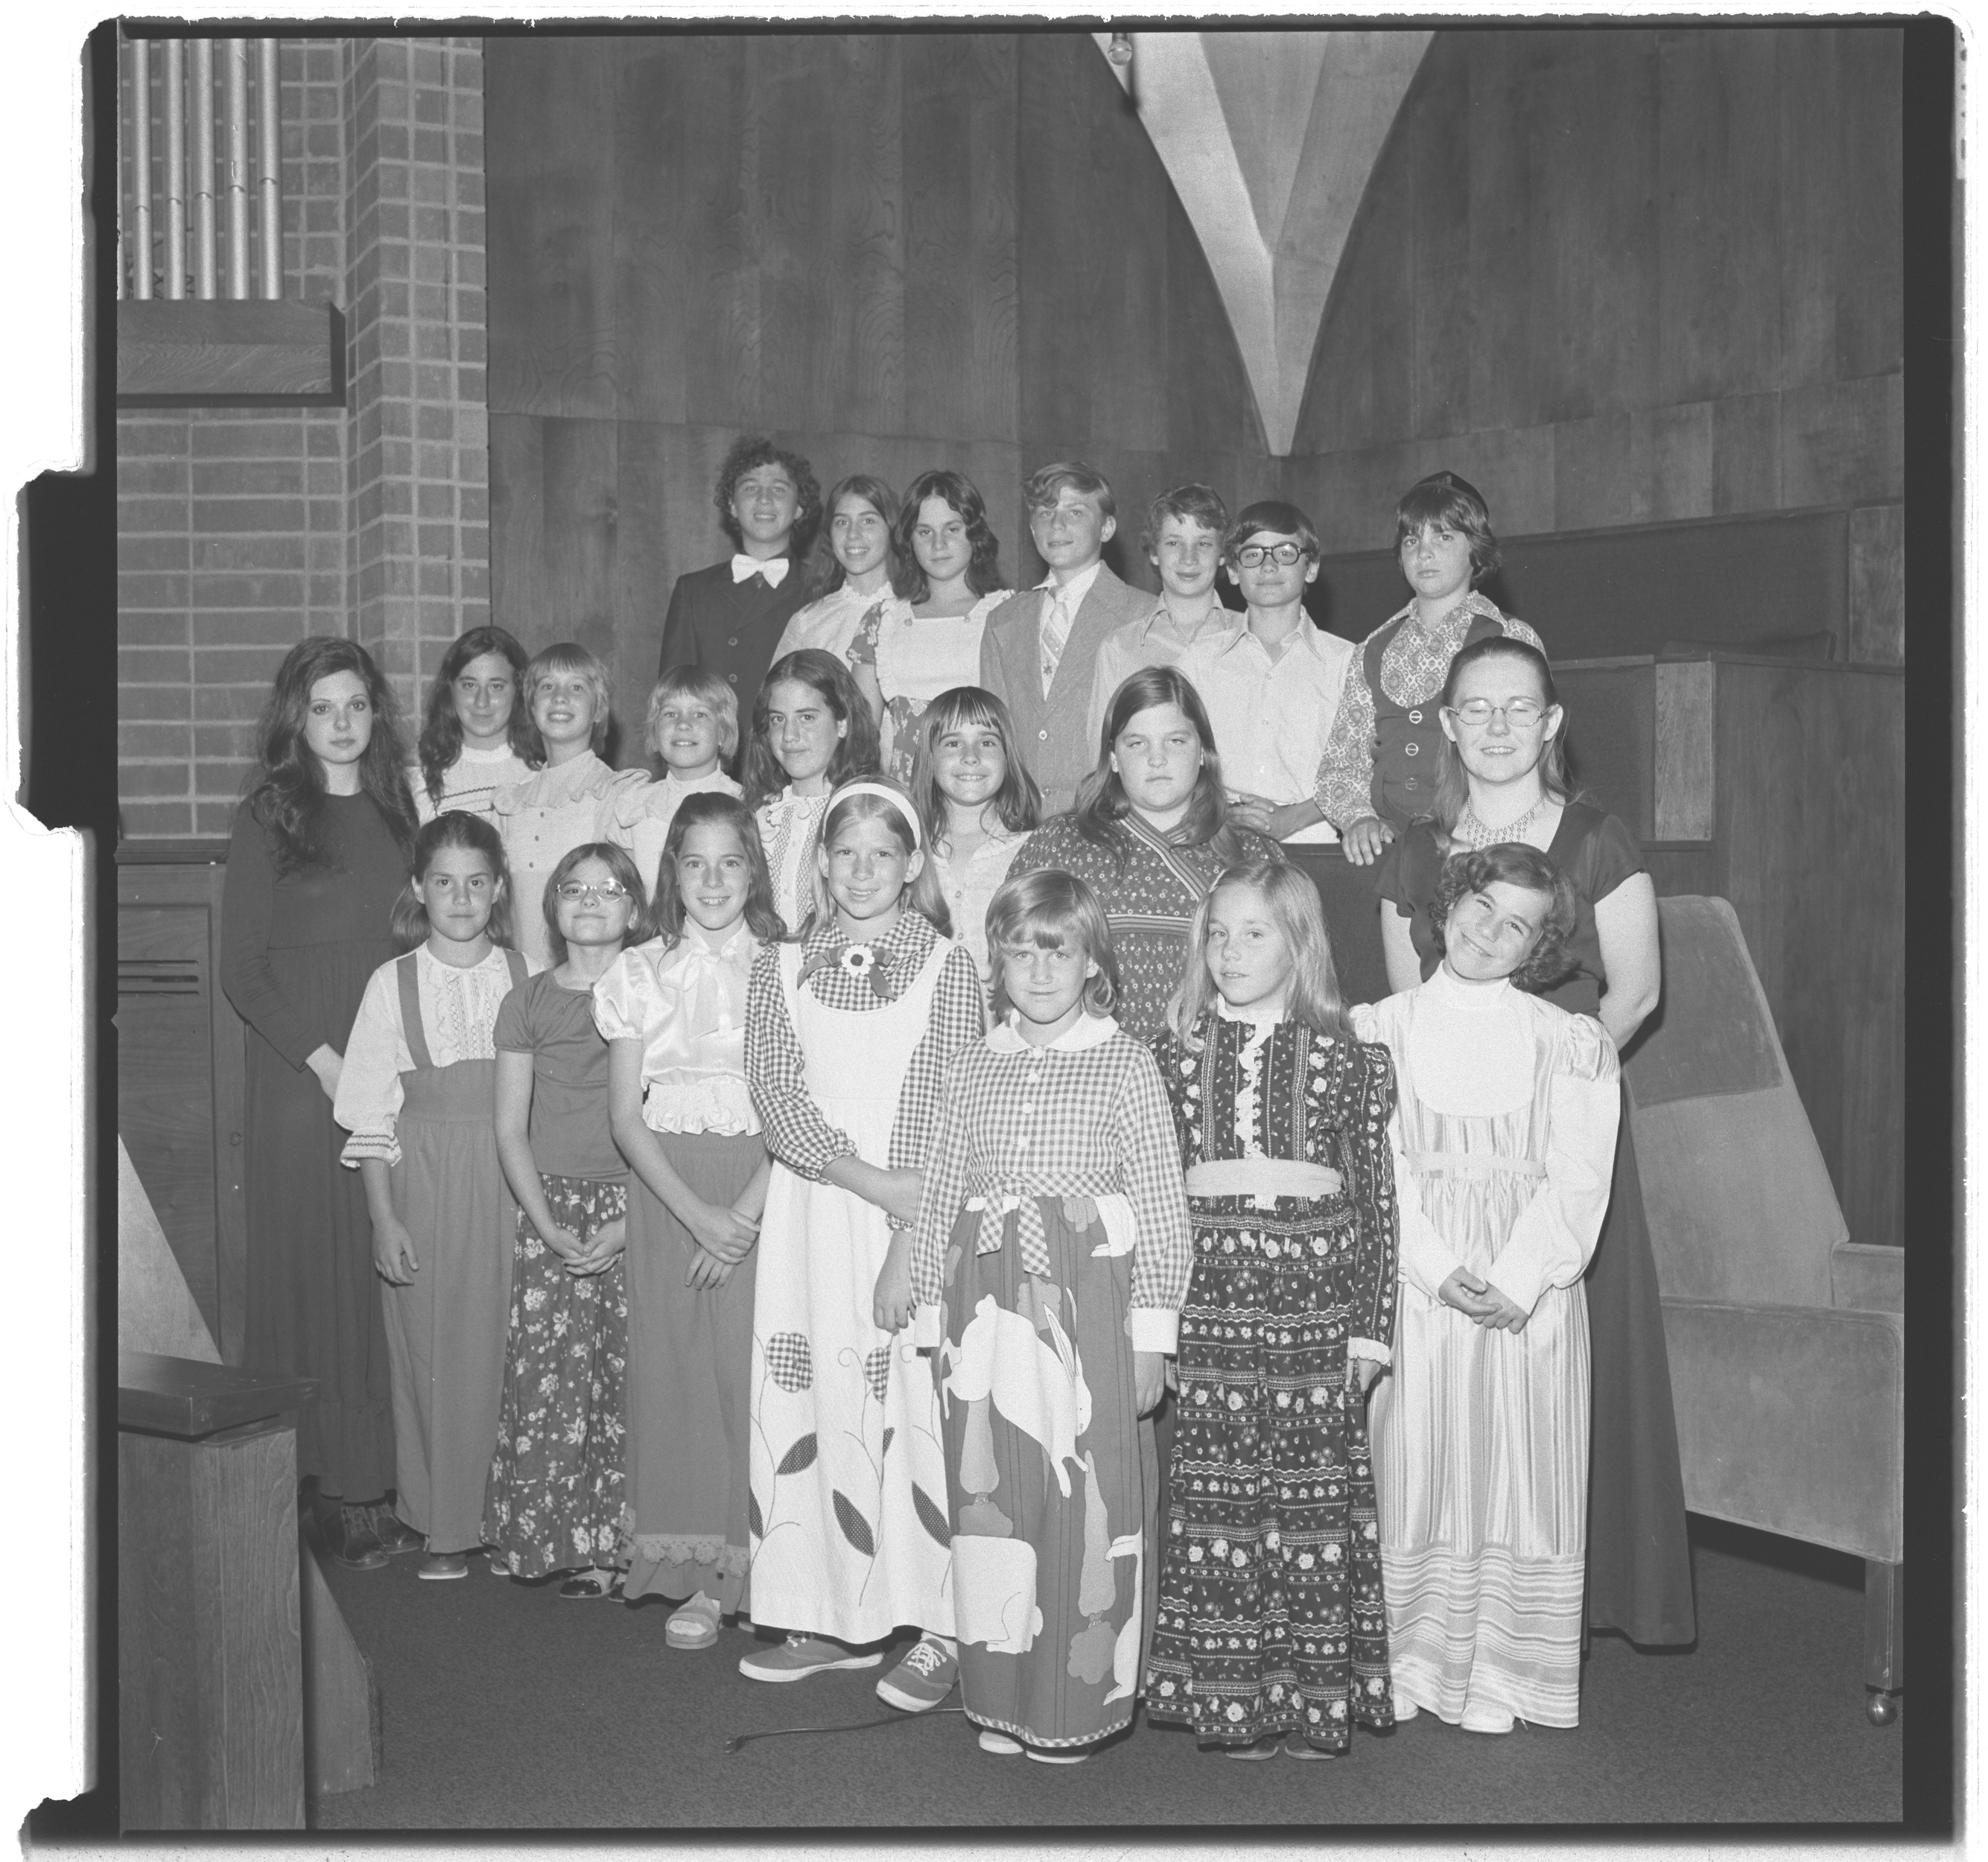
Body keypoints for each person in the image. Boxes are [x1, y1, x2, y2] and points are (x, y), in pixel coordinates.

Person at [1373, 635, 1693, 1648]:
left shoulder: (1598, 839)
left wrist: (1549, 1098)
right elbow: (1402, 1011)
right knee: (1437, 1394)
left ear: (1551, 724)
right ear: (1450, 725)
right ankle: (1435, 1609)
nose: (1498, 726)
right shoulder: (1417, 854)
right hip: (1440, 1156)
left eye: (1519, 708)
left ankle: (1561, 1605)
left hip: (1560, 1150)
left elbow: (1634, 992)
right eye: (1477, 709)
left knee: (1559, 1373)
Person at [909, 869, 1190, 1764]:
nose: (1037, 969)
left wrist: (1152, 1335)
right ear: (996, 960)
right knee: (992, 1495)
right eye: (1020, 949)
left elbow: (1160, 1203)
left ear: (1091, 962)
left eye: (1057, 949)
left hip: (1086, 1300)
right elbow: (941, 1190)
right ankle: (1003, 1698)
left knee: (1081, 1492)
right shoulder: (970, 1064)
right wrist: (928, 1316)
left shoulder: (1124, 1061)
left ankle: (1070, 1708)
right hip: (982, 1298)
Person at [1351, 844, 1622, 1731]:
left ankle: (1503, 1678)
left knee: (1520, 1470)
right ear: (1450, 901)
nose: (1487, 932)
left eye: (1516, 924)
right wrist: (1431, 1266)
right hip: (1418, 1286)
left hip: (1524, 1301)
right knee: (1415, 1461)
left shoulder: (1569, 1043)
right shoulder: (1374, 1030)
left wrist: (1519, 1277)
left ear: (1537, 946)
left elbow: (1578, 1176)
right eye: (1479, 907)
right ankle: (1409, 1665)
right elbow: (1374, 1171)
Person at [1143, 862, 1398, 1758]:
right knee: (1218, 1501)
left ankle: (1315, 1700)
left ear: (1298, 943)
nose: (1230, 951)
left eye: (1254, 933)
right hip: (1209, 1299)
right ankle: (1233, 1705)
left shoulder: (1350, 1059)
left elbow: (1375, 1203)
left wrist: (1370, 1327)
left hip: (1315, 1306)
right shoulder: (1171, 1059)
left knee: (1308, 1503)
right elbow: (1155, 1201)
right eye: (1217, 933)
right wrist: (1158, 1318)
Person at [740, 781, 983, 1709]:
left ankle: (935, 1621)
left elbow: (940, 1107)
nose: (863, 870)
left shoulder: (945, 966)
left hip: (908, 1224)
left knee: (911, 1406)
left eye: (883, 852)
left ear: (913, 864)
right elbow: (777, 1093)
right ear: (821, 863)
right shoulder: (781, 967)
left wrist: (904, 1237)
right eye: (845, 853)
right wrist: (867, 1182)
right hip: (814, 1210)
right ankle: (829, 1611)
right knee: (815, 1397)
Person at [219, 635, 419, 1569]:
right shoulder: (266, 814)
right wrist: (329, 1063)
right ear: (296, 717)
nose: (342, 722)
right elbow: (242, 968)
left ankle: (371, 1482)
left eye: (357, 705)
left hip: (389, 1061)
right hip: (304, 1071)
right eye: (324, 706)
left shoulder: (396, 807)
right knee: (309, 1263)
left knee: (373, 1264)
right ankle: (298, 1483)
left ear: (376, 716)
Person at [595, 793, 779, 1647]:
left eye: (730, 862)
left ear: (754, 870)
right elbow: (627, 1118)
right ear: (671, 870)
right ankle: (698, 1581)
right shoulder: (637, 971)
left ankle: (771, 1571)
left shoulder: (786, 964)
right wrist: (696, 1216)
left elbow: (800, 1107)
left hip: (762, 1186)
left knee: (751, 1376)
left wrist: (739, 1214)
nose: (712, 880)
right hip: (669, 1191)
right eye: (694, 862)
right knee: (676, 1375)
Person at [334, 813, 530, 1580]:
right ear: (418, 888)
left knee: (511, 1347)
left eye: (476, 881)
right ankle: (444, 1524)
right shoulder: (393, 982)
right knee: (434, 1350)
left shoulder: (524, 973)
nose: (460, 896)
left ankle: (514, 1519)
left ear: (499, 889)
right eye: (443, 881)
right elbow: (371, 1111)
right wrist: (384, 1216)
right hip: (424, 1180)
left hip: (511, 1173)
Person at [483, 841, 644, 1597]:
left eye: (608, 889)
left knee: (628, 1376)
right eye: (573, 889)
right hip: (552, 1203)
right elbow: (510, 1127)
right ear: (551, 907)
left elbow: (667, 1114)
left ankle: (626, 1550)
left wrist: (633, 1222)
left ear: (635, 908)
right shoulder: (528, 1001)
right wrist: (544, 1223)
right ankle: (557, 1540)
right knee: (553, 1380)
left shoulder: (655, 993)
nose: (589, 900)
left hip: (637, 1202)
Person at [1009, 665, 1281, 1045]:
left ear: (1202, 752)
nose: (1157, 759)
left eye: (1176, 741)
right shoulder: (1058, 845)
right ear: (1114, 758)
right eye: (1137, 743)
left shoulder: (1251, 854)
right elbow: (1012, 963)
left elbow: (1296, 976)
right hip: (1086, 1070)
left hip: (1215, 1067)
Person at [1312, 471, 1543, 865]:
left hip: (1485, 848)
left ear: (1477, 550)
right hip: (1392, 856)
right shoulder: (1373, 648)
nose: (1424, 552)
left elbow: (1530, 753)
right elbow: (1341, 764)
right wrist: (1359, 819)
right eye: (1412, 539)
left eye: (1445, 537)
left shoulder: (1511, 638)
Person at [979, 461, 1155, 814]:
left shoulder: (1143, 615)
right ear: (1031, 529)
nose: (1057, 524)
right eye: (1045, 512)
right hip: (1022, 817)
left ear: (1106, 528)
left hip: (1108, 814)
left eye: (1075, 511)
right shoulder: (1004, 620)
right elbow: (994, 730)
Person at [1179, 501, 1354, 845]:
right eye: (1253, 554)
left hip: (1313, 839)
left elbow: (1360, 768)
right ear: (1232, 571)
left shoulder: (1346, 661)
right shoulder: (1199, 661)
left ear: (1312, 567)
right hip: (1218, 838)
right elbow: (1179, 755)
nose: (1269, 566)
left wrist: (1294, 817)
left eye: (1286, 552)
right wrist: (1219, 812)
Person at [848, 468, 1014, 784]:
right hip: (907, 790)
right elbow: (861, 734)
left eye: (952, 529)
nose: (938, 544)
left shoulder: (1007, 614)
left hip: (978, 783)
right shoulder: (883, 620)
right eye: (924, 532)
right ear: (908, 539)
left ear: (974, 532)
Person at [492, 643, 646, 970]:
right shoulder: (511, 804)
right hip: (526, 984)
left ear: (599, 710)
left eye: (576, 687)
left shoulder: (616, 795)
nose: (560, 697)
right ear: (532, 707)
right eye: (547, 687)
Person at [658, 435, 823, 737]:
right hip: (712, 762)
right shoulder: (693, 591)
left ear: (800, 507)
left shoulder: (823, 590)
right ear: (732, 505)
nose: (764, 499)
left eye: (778, 488)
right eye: (750, 488)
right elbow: (674, 695)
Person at [907, 685, 1042, 991]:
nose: (971, 757)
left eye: (987, 742)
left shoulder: (1034, 850)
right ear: (930, 757)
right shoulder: (906, 849)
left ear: (1008, 756)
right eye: (953, 743)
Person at [741, 648, 881, 934]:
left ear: (842, 723)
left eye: (806, 718)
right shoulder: (759, 815)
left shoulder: (866, 812)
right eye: (778, 719)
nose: (789, 736)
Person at [1084, 484, 1235, 749]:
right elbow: (1101, 756)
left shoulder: (1248, 636)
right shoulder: (1120, 648)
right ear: (1154, 553)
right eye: (1174, 543)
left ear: (1222, 554)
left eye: (1204, 543)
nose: (1189, 559)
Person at [620, 665, 744, 892]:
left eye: (700, 714)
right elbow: (628, 892)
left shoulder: (744, 804)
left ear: (723, 733)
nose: (683, 724)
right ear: (655, 734)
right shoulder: (635, 807)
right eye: (670, 714)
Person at [410, 625, 536, 824]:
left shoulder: (540, 768)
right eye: (470, 685)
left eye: (496, 686)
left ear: (518, 689)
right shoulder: (422, 773)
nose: (482, 702)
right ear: (450, 689)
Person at [774, 474, 901, 664]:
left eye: (868, 521)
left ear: (892, 528)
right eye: (842, 522)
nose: (853, 534)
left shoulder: (917, 612)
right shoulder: (807, 622)